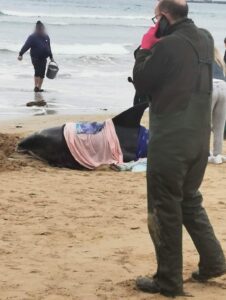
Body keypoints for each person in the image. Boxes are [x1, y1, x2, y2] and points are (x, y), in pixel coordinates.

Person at [133, 0, 226, 297]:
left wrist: (145, 47)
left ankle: (168, 281)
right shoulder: (206, 37)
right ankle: (213, 261)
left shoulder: (166, 45)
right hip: (199, 138)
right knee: (188, 199)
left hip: (171, 140)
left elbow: (142, 80)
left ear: (162, 17)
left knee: (165, 208)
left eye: (155, 18)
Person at [18, 21, 54, 92]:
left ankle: (39, 88)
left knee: (42, 73)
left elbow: (48, 47)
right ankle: (36, 87)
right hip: (35, 57)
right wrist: (21, 54)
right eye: (40, 29)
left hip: (44, 57)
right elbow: (26, 46)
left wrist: (51, 57)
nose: (42, 31)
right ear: (37, 29)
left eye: (42, 29)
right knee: (37, 71)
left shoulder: (46, 37)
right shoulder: (32, 37)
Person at [208, 48, 226, 164]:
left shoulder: (204, 59)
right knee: (220, 125)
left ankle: (206, 153)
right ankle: (217, 154)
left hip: (211, 87)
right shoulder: (220, 62)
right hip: (224, 87)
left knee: (206, 124)